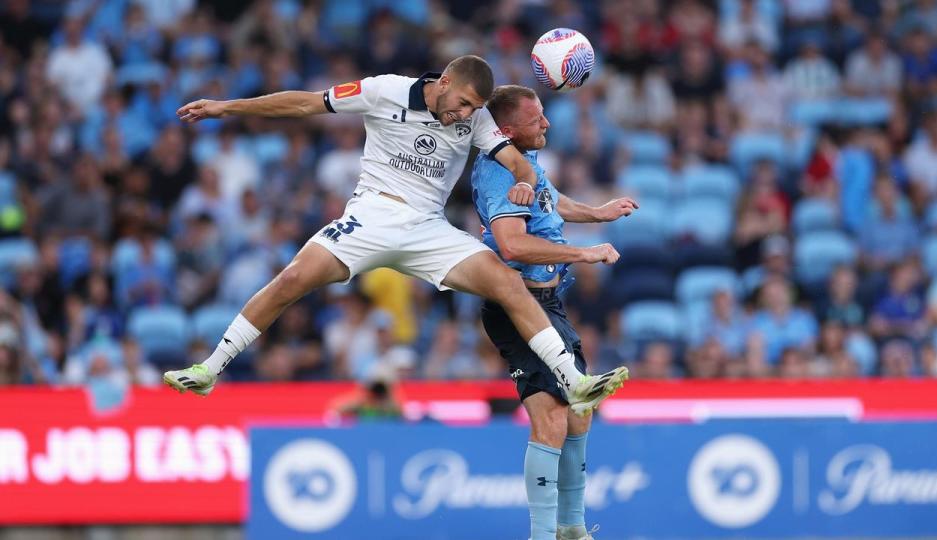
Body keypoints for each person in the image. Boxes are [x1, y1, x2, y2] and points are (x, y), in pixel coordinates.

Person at [163, 56, 628, 414]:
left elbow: (517, 162)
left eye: (474, 109)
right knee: (291, 280)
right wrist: (229, 107)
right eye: (462, 103)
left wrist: (525, 179)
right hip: (371, 216)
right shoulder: (382, 91)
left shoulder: (479, 118)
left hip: (427, 227)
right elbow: (306, 102)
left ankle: (573, 381)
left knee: (506, 281)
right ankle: (210, 369)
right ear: (444, 82)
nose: (466, 114)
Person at [472, 85, 637, 540]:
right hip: (518, 305)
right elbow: (512, 243)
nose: (546, 123)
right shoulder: (498, 173)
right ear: (506, 130)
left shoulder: (525, 164)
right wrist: (583, 255)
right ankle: (545, 534)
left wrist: (598, 213)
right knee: (551, 418)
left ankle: (571, 527)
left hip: (548, 303)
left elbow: (551, 200)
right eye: (536, 118)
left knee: (579, 412)